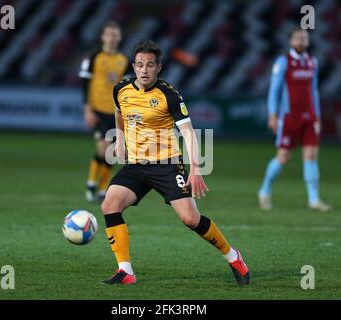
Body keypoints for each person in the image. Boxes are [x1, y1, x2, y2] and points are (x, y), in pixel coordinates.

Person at [100, 40, 250, 286]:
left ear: (159, 67)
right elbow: (119, 113)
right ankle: (125, 271)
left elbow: (189, 133)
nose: (144, 70)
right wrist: (120, 141)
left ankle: (234, 257)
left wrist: (196, 169)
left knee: (190, 219)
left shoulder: (169, 94)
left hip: (166, 164)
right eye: (139, 65)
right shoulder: (121, 89)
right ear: (133, 66)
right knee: (110, 204)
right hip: (136, 166)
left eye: (149, 65)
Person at [258, 28, 331, 212]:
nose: (301, 41)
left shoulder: (312, 62)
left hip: (309, 117)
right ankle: (264, 190)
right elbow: (274, 90)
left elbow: (314, 91)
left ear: (308, 42)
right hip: (289, 116)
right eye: (298, 38)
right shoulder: (283, 62)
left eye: (304, 38)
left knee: (311, 155)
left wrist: (318, 115)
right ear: (291, 41)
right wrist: (273, 114)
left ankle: (314, 199)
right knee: (283, 157)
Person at [79, 21, 128, 203]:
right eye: (109, 34)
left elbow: (128, 87)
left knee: (112, 152)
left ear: (120, 38)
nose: (112, 38)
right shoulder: (93, 57)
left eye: (115, 35)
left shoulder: (124, 60)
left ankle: (101, 189)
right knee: (103, 149)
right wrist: (87, 109)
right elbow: (84, 83)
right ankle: (92, 182)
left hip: (116, 113)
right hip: (98, 110)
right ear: (103, 37)